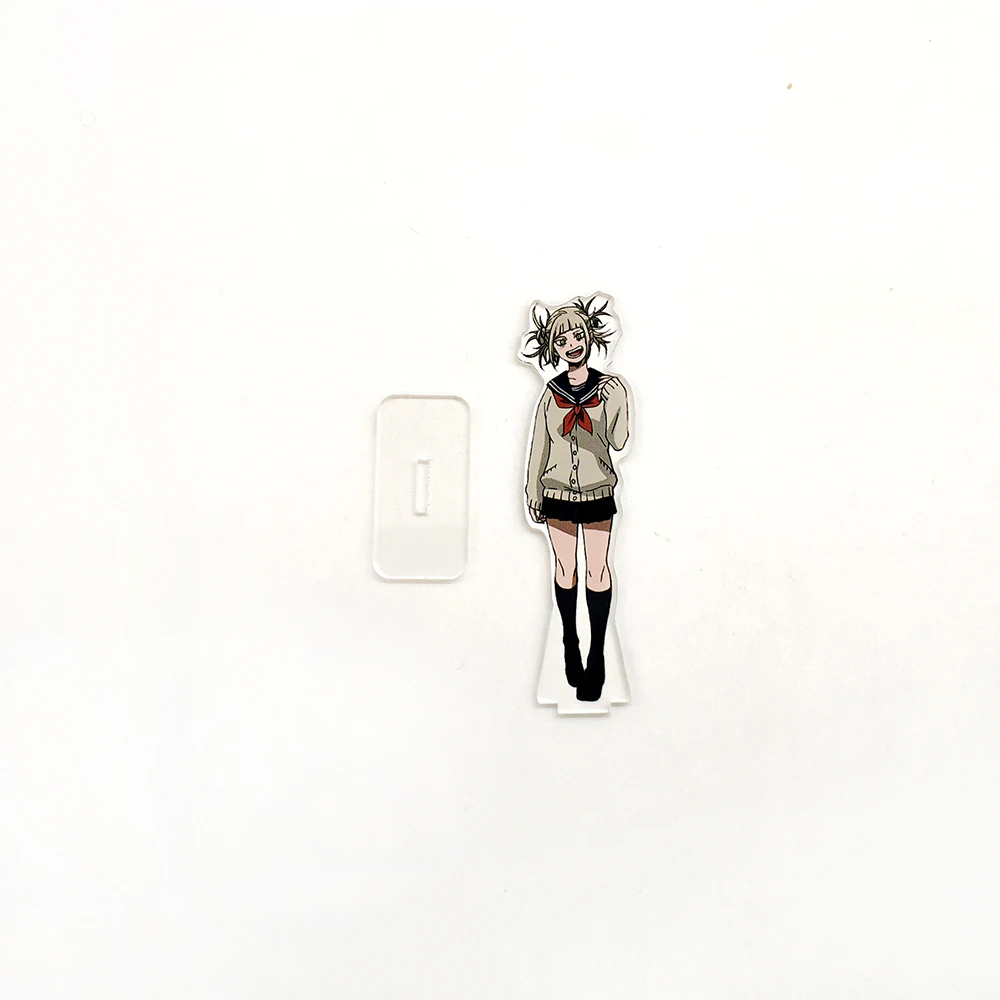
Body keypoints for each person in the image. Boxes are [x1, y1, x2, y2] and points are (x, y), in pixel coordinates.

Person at [522, 295, 630, 702]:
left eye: (578, 336)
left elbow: (619, 440)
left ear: (590, 338)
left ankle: (597, 655)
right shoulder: (550, 394)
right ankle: (570, 640)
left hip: (598, 488)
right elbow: (539, 446)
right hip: (556, 491)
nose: (572, 344)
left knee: (598, 570)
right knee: (565, 569)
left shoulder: (611, 388)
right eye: (562, 339)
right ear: (553, 347)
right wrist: (533, 491)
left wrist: (616, 401)